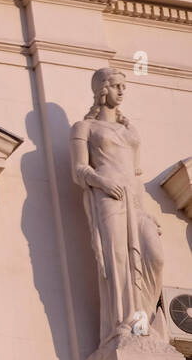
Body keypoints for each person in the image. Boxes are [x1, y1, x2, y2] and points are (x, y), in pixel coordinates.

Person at [70, 68, 165, 345]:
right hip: (108, 198)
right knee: (118, 260)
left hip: (134, 202)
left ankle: (144, 316)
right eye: (116, 86)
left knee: (154, 257)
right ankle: (124, 323)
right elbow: (78, 170)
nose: (122, 91)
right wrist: (100, 182)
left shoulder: (129, 130)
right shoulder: (83, 128)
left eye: (124, 86)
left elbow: (136, 176)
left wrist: (146, 211)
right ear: (102, 90)